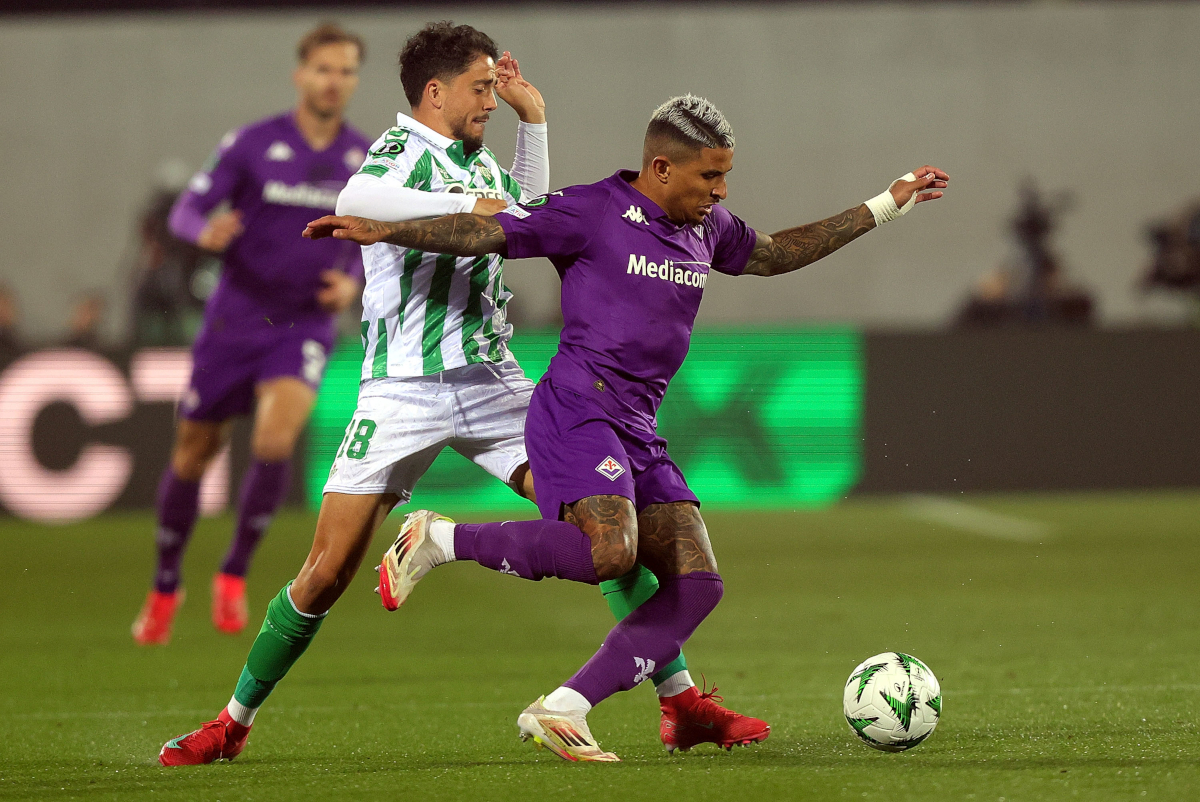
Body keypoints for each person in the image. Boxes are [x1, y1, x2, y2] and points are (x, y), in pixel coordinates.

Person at [156, 25, 767, 768]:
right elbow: (361, 197)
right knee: (327, 572)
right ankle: (232, 720)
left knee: (602, 531)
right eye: (482, 88)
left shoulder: (482, 157)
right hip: (400, 391)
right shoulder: (397, 150)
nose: (491, 100)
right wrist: (469, 199)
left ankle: (680, 701)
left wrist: (533, 122)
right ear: (435, 92)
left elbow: (530, 213)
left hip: (493, 380)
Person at [305, 95, 950, 762]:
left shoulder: (709, 228)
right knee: (610, 552)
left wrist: (887, 203)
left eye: (725, 177)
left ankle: (565, 707)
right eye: (710, 177)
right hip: (577, 409)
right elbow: (489, 232)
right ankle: (440, 538)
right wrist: (388, 232)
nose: (721, 192)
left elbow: (778, 252)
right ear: (662, 168)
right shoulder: (590, 212)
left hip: (638, 425)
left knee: (699, 583)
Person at [131, 22, 372, 645]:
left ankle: (233, 574)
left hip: (304, 324)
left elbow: (375, 237)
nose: (333, 81)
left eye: (345, 70)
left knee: (274, 439)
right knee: (194, 451)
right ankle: (164, 584)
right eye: (323, 68)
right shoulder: (252, 144)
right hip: (235, 316)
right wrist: (200, 231)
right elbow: (187, 209)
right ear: (301, 74)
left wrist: (354, 281)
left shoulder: (366, 157)